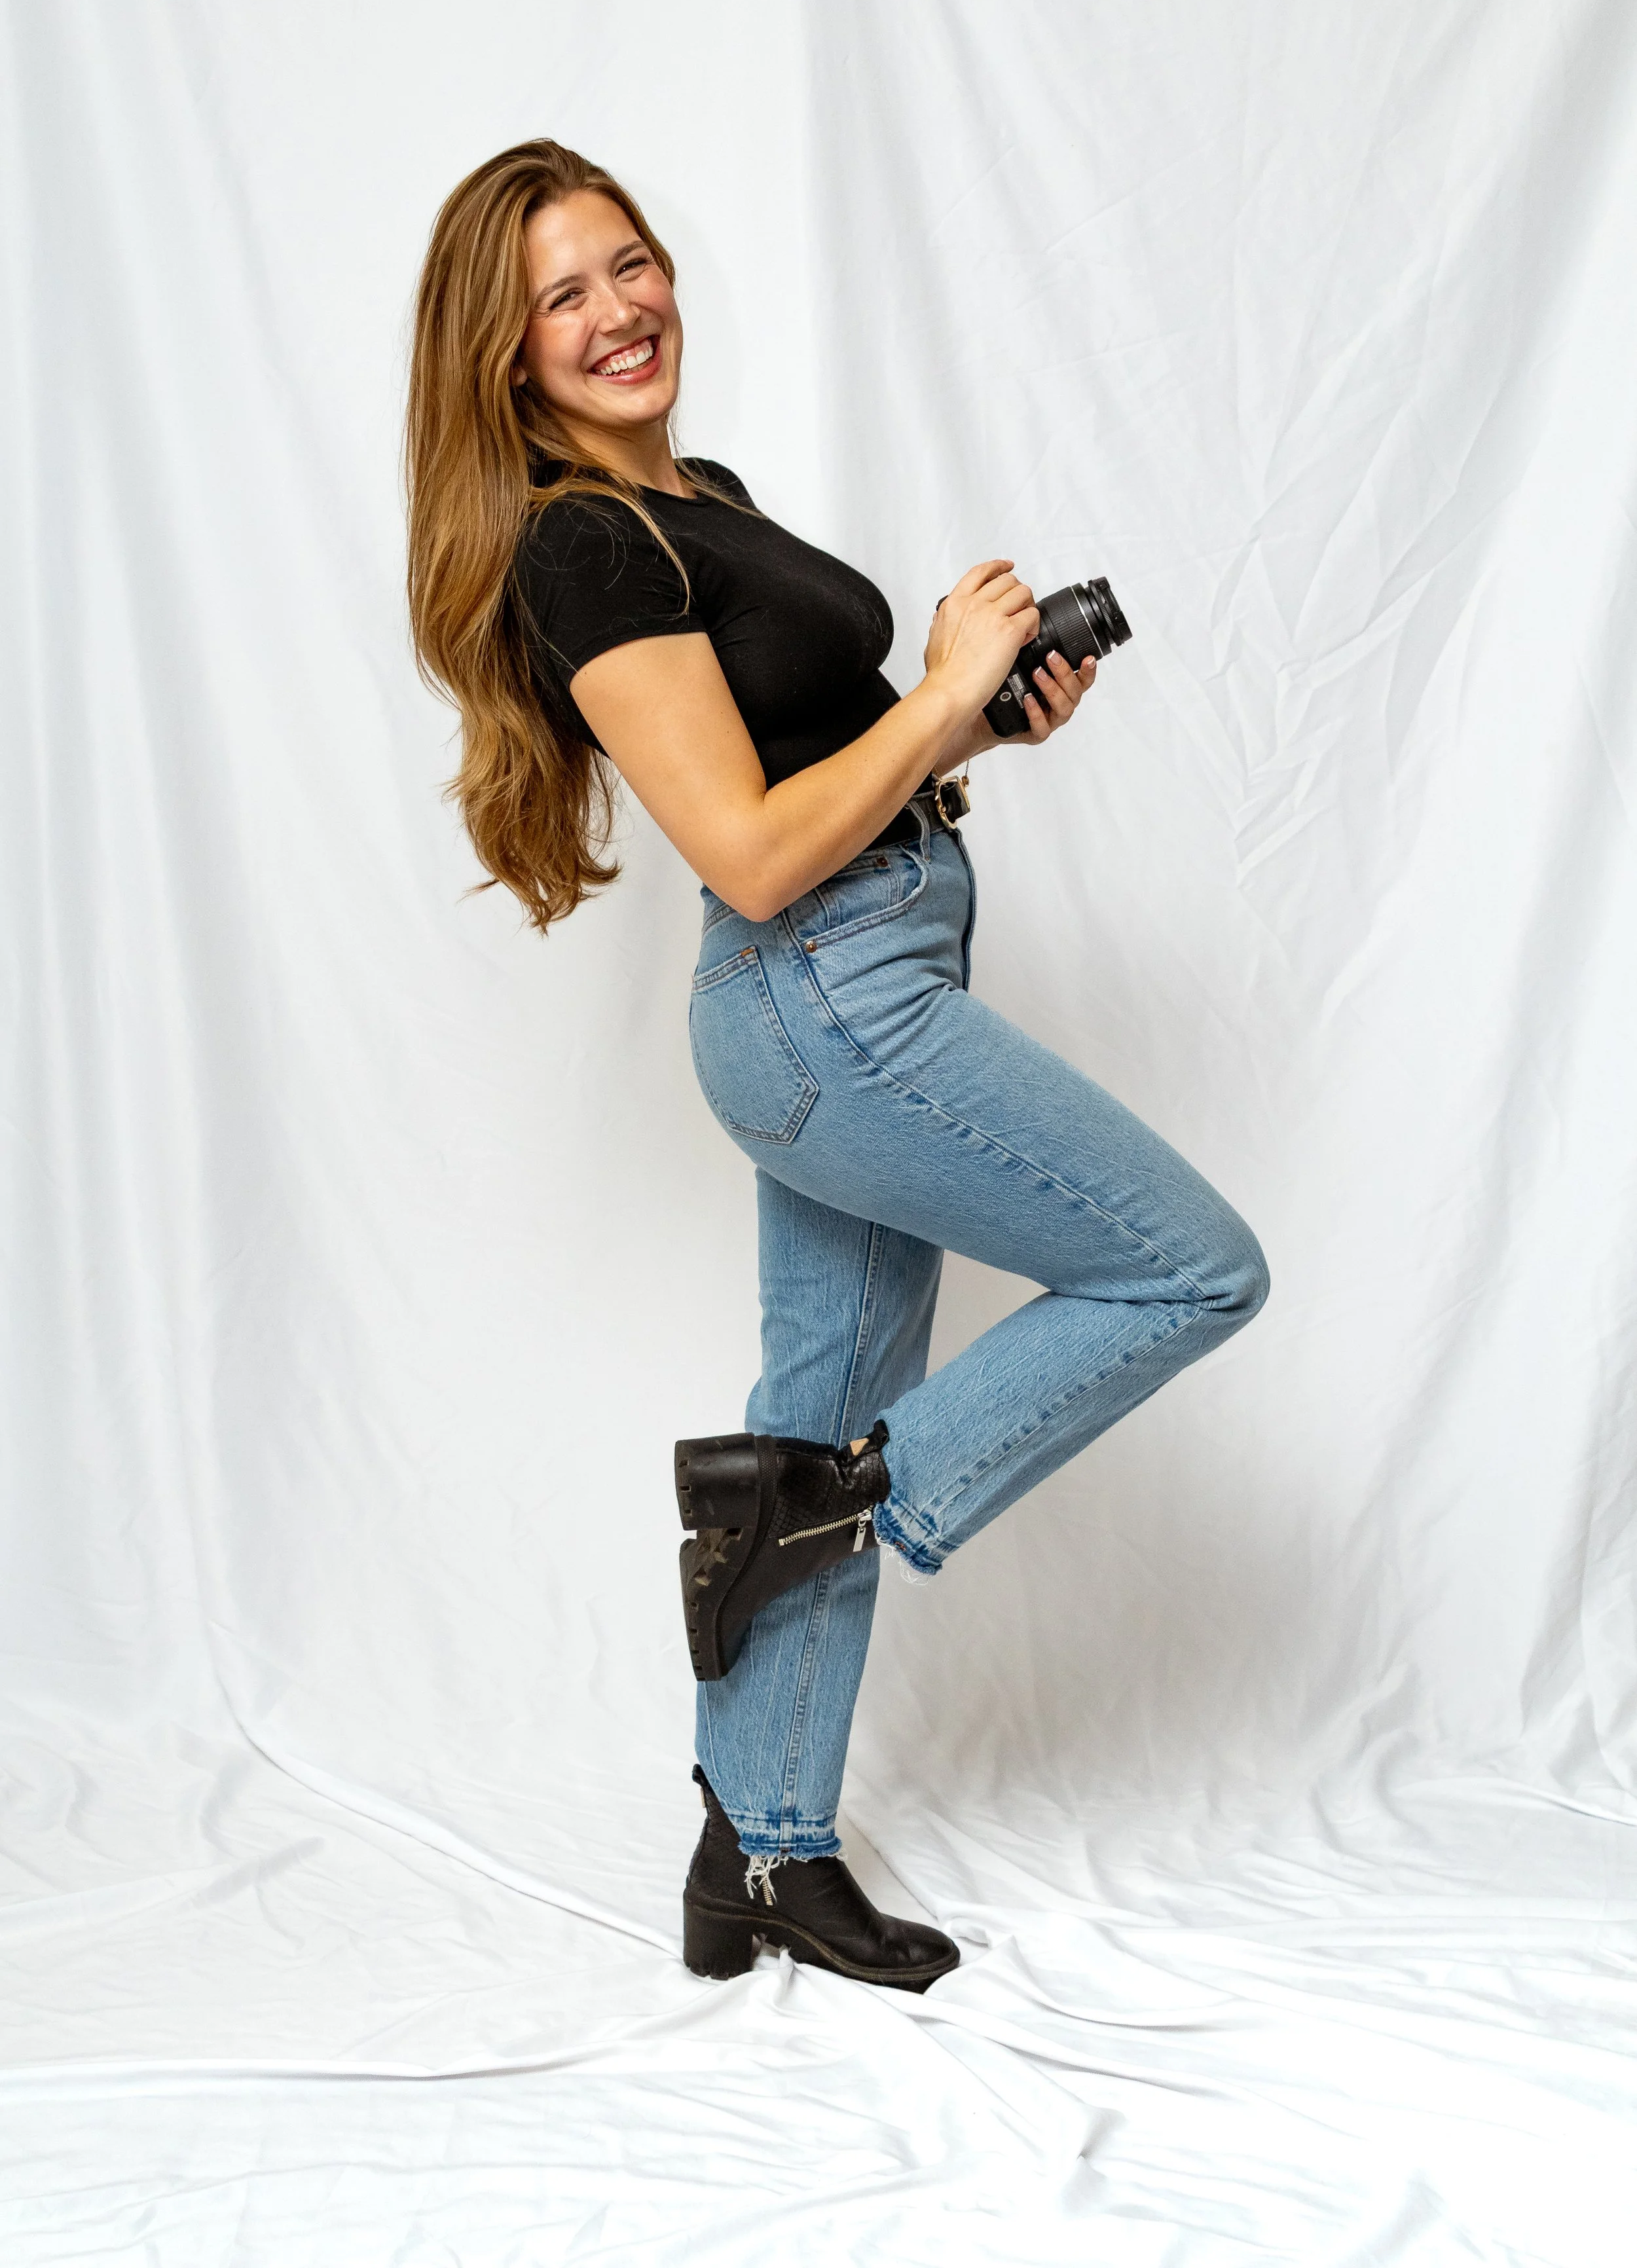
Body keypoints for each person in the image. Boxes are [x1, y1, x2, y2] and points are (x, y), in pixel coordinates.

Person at [405, 138, 1269, 1996]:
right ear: (505, 352)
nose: (619, 310)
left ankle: (759, 1854)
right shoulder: (585, 544)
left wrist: (978, 729)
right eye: (563, 295)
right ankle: (798, 1504)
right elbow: (748, 852)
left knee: (824, 1393)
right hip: (823, 1002)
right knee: (1192, 1268)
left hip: (860, 972)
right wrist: (937, 690)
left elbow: (825, 779)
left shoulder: (696, 499)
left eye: (630, 263)